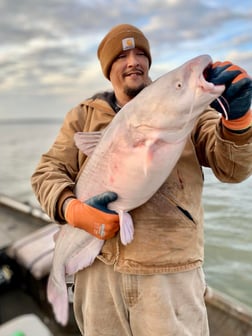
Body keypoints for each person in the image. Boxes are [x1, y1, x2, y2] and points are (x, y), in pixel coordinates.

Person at [31, 24, 252, 335]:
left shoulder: (191, 110)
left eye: (140, 54)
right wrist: (72, 210)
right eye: (121, 56)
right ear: (108, 69)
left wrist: (239, 123)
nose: (133, 61)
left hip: (169, 273)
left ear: (149, 62)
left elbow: (233, 169)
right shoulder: (83, 115)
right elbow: (47, 172)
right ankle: (59, 272)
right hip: (97, 276)